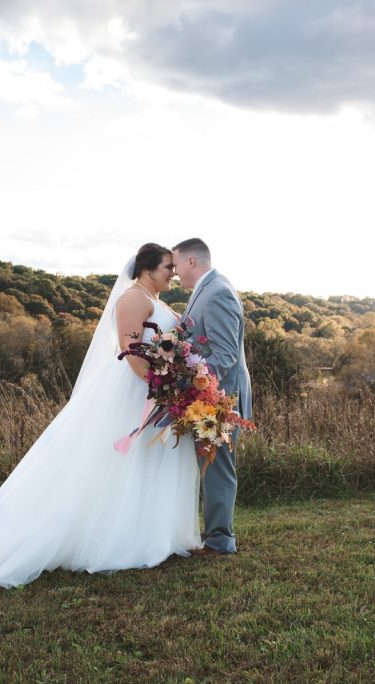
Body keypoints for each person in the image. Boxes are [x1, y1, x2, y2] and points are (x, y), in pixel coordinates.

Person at [0, 243, 201, 598]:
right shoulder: (134, 298)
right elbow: (132, 352)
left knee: (144, 463)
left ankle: (147, 532)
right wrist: (161, 385)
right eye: (167, 266)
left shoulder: (154, 298)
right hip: (135, 391)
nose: (172, 272)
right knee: (117, 464)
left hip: (152, 391)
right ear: (147, 267)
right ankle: (117, 537)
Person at [172, 238, 252, 557]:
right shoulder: (205, 289)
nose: (175, 273)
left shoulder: (218, 292)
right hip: (208, 395)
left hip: (220, 398)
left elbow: (225, 355)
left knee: (217, 467)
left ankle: (220, 541)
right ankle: (215, 536)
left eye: (177, 265)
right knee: (211, 465)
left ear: (191, 261)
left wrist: (188, 384)